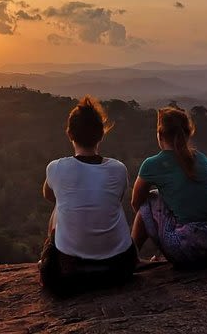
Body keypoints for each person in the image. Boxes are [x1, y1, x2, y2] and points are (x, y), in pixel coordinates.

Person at [39, 96, 137, 294]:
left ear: (69, 134)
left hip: (69, 276)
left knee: (60, 203)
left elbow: (49, 196)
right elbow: (116, 200)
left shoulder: (57, 168)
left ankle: (56, 259)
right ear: (102, 134)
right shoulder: (118, 169)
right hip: (120, 268)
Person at [131, 107, 207, 267]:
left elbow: (136, 202)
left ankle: (132, 258)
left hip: (193, 248)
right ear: (188, 133)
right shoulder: (201, 157)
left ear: (160, 134)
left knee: (149, 199)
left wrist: (160, 227)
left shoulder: (152, 164)